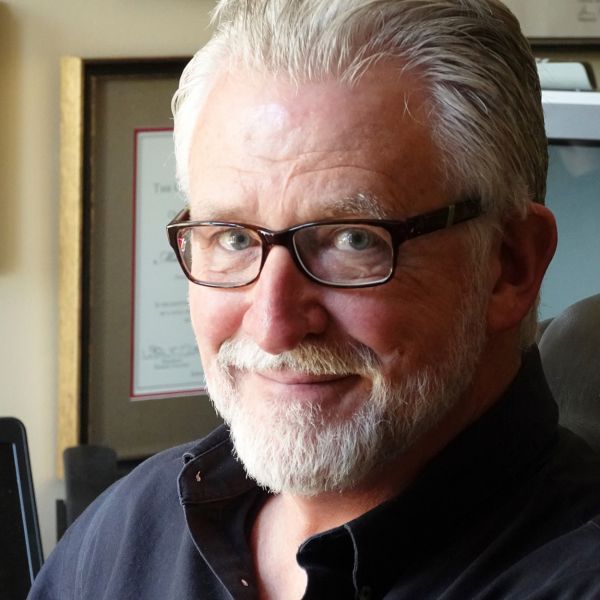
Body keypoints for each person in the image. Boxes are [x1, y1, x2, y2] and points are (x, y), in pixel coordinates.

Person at [29, 1, 600, 598]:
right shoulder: (131, 530)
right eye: (232, 237)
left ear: (510, 265)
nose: (272, 325)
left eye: (352, 240)